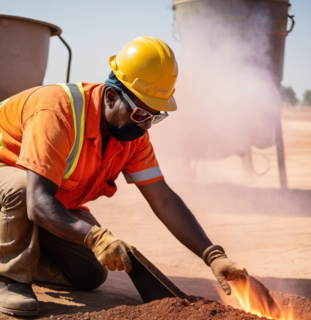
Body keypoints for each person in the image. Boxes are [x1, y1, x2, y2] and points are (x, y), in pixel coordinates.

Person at [0, 36, 248, 317]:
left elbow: (163, 198)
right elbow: (37, 200)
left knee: (88, 274)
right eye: (141, 113)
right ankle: (10, 279)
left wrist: (213, 255)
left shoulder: (132, 136)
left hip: (40, 202)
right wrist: (95, 237)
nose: (146, 125)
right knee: (21, 187)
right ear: (110, 96)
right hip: (16, 189)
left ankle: (14, 254)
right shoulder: (57, 110)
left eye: (155, 117)